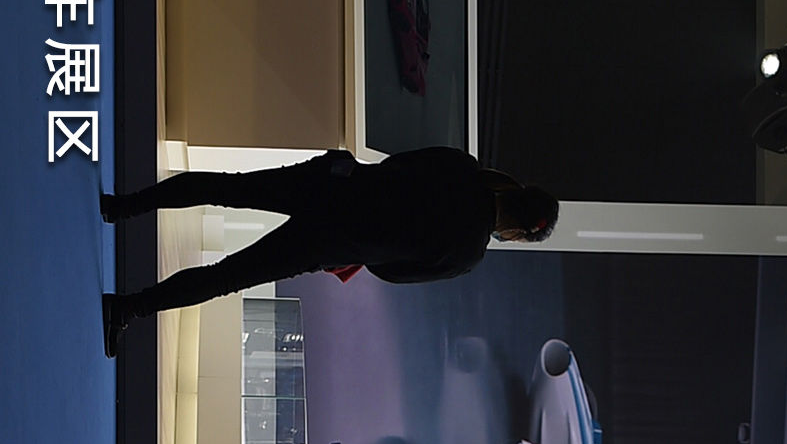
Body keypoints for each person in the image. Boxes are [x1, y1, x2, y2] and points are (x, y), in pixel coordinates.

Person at [100, 147, 559, 354]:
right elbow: (394, 273)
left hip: (335, 182)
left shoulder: (463, 167)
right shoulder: (469, 252)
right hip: (336, 240)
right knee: (225, 277)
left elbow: (398, 162)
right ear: (519, 231)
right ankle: (127, 308)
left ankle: (122, 206)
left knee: (227, 188)